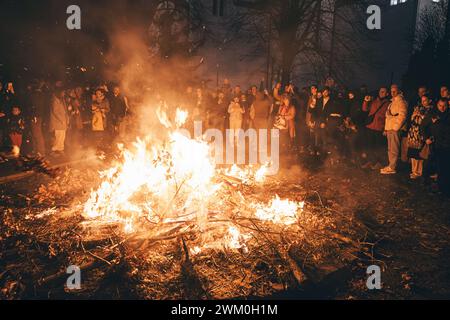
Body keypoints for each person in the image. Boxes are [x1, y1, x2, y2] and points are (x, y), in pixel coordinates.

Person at [380, 84, 408, 175]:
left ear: (399, 91)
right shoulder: (392, 102)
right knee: (390, 148)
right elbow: (388, 117)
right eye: (392, 91)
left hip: (395, 129)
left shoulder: (401, 102)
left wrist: (396, 127)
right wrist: (386, 128)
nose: (393, 93)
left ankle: (392, 166)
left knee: (394, 148)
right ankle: (391, 165)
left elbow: (402, 116)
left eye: (394, 91)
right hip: (390, 128)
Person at [361, 86, 390, 169]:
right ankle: (370, 161)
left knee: (378, 146)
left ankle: (379, 162)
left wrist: (385, 129)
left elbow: (388, 117)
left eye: (384, 91)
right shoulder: (373, 101)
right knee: (369, 145)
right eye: (381, 91)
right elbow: (365, 109)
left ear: (387, 93)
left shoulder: (388, 103)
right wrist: (366, 101)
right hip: (370, 126)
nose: (381, 93)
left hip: (379, 128)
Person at [406, 94, 434, 179]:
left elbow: (427, 122)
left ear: (429, 101)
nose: (423, 102)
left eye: (425, 100)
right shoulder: (418, 108)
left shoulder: (431, 110)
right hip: (413, 133)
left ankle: (419, 172)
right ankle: (414, 170)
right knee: (412, 153)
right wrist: (414, 115)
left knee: (419, 154)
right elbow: (412, 119)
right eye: (422, 100)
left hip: (421, 134)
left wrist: (421, 116)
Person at [428, 98, 450, 195]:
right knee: (438, 166)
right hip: (437, 145)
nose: (442, 108)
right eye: (440, 105)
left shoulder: (447, 115)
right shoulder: (433, 114)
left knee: (444, 167)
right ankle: (439, 187)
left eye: (444, 106)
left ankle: (443, 188)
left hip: (446, 145)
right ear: (437, 105)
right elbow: (425, 125)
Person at [49, 88, 69, 155]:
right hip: (58, 122)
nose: (64, 94)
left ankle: (60, 148)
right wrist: (62, 120)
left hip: (62, 122)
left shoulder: (61, 100)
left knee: (62, 136)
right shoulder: (55, 100)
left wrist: (66, 119)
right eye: (63, 92)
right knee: (58, 136)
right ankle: (54, 149)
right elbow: (55, 112)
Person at [29, 81, 47, 156]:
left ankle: (40, 151)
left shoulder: (36, 95)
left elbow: (35, 106)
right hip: (37, 116)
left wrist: (34, 116)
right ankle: (37, 150)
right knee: (35, 133)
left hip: (36, 116)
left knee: (37, 134)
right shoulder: (40, 94)